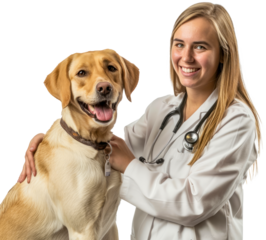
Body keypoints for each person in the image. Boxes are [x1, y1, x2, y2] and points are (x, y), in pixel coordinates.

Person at [16, 1, 264, 240]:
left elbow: (193, 204)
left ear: (223, 54)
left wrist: (131, 165)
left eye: (200, 47)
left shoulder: (236, 121)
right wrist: (54, 140)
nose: (186, 57)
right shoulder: (161, 109)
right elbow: (102, 152)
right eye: (179, 45)